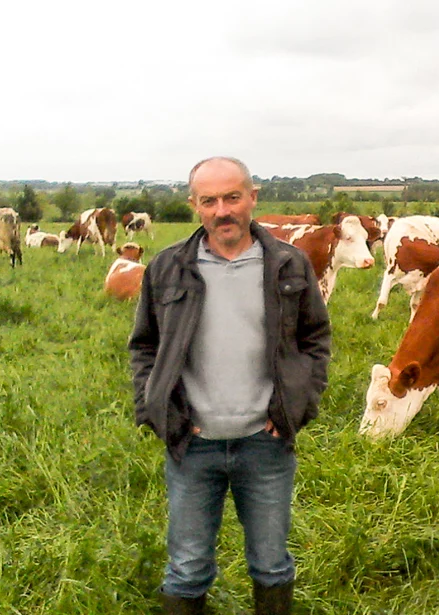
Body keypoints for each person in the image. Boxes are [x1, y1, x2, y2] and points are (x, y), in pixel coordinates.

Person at [128, 156, 331, 615]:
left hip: (266, 443)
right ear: (194, 206)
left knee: (271, 565)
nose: (223, 210)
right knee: (187, 568)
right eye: (210, 200)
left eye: (233, 197)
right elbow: (144, 347)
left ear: (252, 198)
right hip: (191, 446)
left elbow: (316, 341)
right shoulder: (167, 268)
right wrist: (159, 412)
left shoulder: (289, 265)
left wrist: (296, 408)